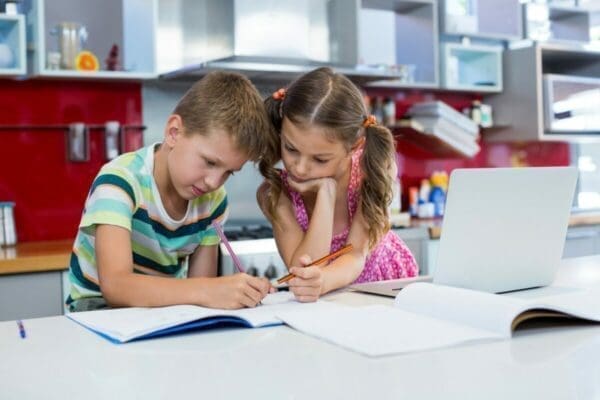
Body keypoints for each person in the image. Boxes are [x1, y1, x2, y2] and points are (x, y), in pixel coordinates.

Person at [66, 71, 277, 312]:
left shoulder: (214, 201)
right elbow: (116, 288)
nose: (214, 182)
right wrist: (211, 290)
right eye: (209, 162)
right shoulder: (119, 181)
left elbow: (202, 290)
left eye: (229, 172)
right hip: (97, 309)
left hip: (164, 309)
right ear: (174, 132)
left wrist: (239, 293)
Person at [257, 67, 418, 302]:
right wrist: (326, 195)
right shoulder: (275, 192)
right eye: (291, 149)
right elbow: (304, 267)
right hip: (326, 299)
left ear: (353, 147)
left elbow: (355, 256)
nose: (300, 168)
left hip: (382, 291)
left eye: (320, 159)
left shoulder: (369, 169)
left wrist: (322, 281)